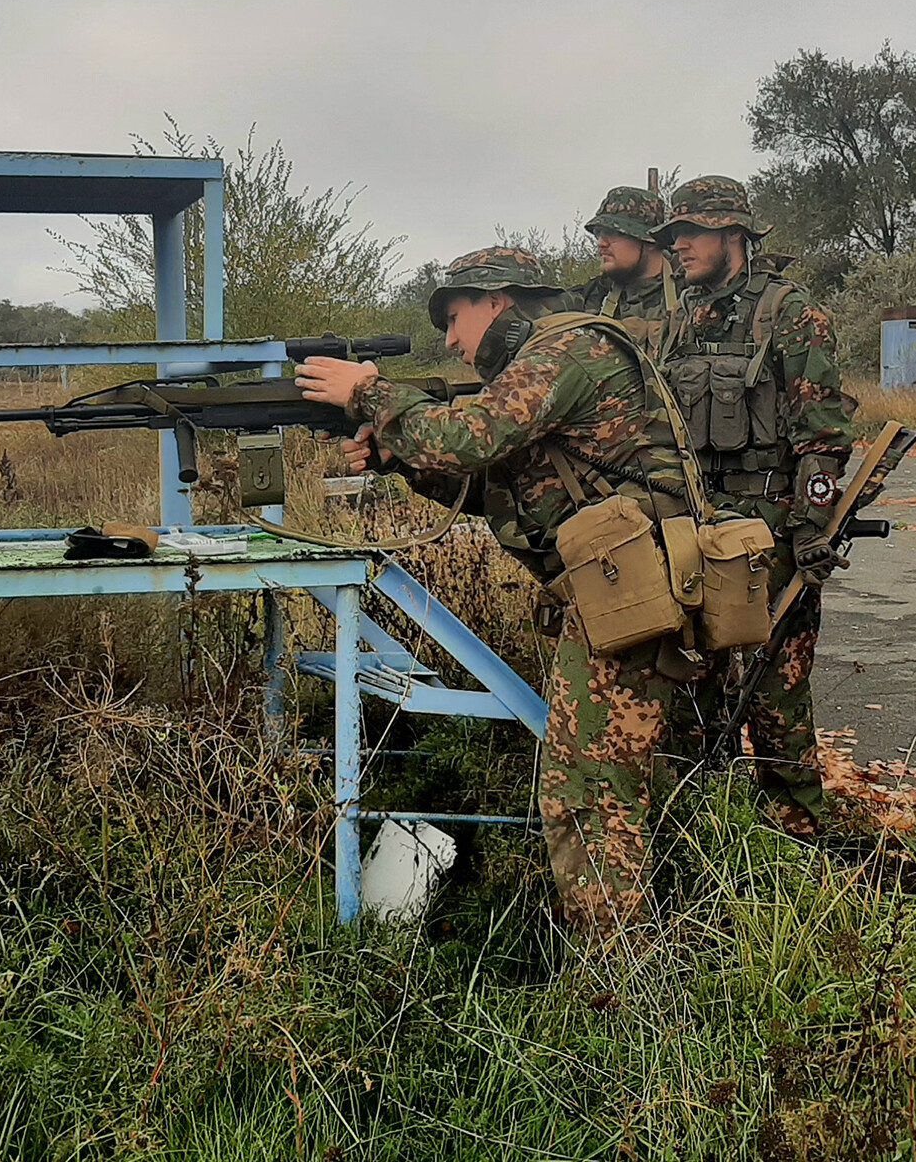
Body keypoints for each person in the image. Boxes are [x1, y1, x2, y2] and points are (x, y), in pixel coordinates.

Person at [294, 246, 705, 941]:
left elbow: (471, 436)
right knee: (611, 783)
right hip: (622, 589)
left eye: (454, 318)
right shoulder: (547, 361)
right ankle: (650, 940)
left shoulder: (568, 350)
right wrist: (405, 464)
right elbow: (498, 489)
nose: (451, 341)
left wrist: (368, 390)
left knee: (588, 794)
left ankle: (620, 973)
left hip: (632, 595)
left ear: (497, 300)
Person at [651, 176, 858, 835]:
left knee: (775, 691)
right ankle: (698, 818)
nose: (678, 245)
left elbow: (825, 438)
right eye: (673, 234)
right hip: (695, 529)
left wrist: (811, 527)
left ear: (733, 236)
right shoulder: (681, 318)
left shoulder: (790, 313)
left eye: (691, 232)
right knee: (688, 678)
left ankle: (796, 827)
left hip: (767, 532)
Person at [566, 186, 680, 354]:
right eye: (599, 233)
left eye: (613, 233)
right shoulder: (592, 297)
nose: (601, 243)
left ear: (649, 241)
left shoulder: (690, 293)